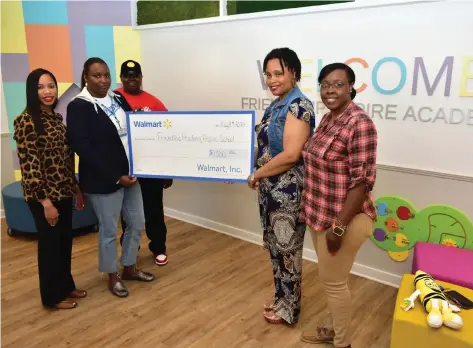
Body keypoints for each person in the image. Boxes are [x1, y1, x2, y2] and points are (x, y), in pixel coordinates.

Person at [300, 63, 378, 348]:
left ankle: (342, 342)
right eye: (325, 85)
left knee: (333, 283)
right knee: (333, 279)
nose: (330, 90)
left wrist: (339, 227)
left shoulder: (360, 123)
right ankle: (333, 329)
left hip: (343, 220)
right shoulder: (328, 119)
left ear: (351, 88)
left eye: (338, 84)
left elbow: (362, 182)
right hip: (319, 213)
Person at [66, 57, 155, 298]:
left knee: (137, 223)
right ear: (86, 77)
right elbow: (83, 147)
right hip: (103, 180)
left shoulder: (117, 98)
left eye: (106, 75)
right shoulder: (79, 106)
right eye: (97, 75)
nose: (103, 80)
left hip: (131, 175)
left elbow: (131, 129)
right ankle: (112, 275)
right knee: (108, 230)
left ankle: (129, 267)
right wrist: (116, 176)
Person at [248, 48, 316, 325]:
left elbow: (291, 155)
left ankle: (290, 310)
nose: (272, 79)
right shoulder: (276, 104)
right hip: (270, 190)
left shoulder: (299, 106)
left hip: (287, 192)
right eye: (268, 74)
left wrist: (256, 174)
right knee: (276, 250)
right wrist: (251, 171)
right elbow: (264, 147)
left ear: (294, 73)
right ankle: (281, 300)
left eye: (278, 73)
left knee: (288, 251)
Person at [13, 68, 87, 310]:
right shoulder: (26, 121)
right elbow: (30, 167)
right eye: (41, 87)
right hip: (43, 197)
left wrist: (75, 188)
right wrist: (45, 203)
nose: (47, 91)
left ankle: (66, 286)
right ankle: (52, 297)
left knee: (64, 242)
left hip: (63, 192)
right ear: (32, 91)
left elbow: (65, 159)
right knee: (50, 246)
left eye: (51, 86)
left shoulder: (55, 118)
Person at [114, 59, 172, 266]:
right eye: (127, 76)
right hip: (126, 167)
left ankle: (159, 248)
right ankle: (131, 249)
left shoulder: (154, 102)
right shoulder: (113, 99)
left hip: (152, 168)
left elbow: (168, 135)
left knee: (154, 210)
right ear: (121, 78)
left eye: (135, 75)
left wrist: (168, 171)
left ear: (141, 77)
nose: (132, 79)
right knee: (128, 213)